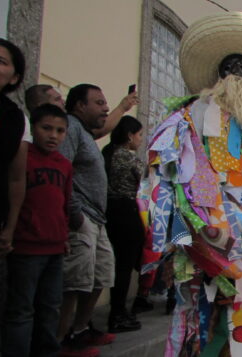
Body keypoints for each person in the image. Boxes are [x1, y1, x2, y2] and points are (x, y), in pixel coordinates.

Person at [142, 12, 242, 355]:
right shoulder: (185, 120)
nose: (238, 76)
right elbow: (160, 182)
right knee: (205, 316)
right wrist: (180, 236)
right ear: (218, 77)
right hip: (203, 239)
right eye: (231, 68)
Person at [57, 83, 136, 356]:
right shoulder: (69, 127)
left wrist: (124, 106)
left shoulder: (87, 134)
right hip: (82, 218)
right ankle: (61, 340)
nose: (105, 108)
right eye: (99, 102)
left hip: (97, 219)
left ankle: (80, 330)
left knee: (102, 275)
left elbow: (104, 128)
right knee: (75, 282)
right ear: (80, 105)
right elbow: (61, 170)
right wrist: (74, 214)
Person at [0, 104, 73, 357]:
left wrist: (64, 237)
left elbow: (64, 203)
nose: (53, 135)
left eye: (60, 131)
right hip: (26, 246)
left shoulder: (64, 164)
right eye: (47, 128)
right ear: (33, 128)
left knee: (51, 306)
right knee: (21, 309)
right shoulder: (22, 157)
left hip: (54, 246)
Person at [101, 115, 146, 332]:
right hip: (128, 212)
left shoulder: (107, 154)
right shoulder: (129, 159)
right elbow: (145, 185)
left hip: (110, 212)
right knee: (125, 267)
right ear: (129, 136)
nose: (140, 140)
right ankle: (118, 313)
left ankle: (117, 310)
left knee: (117, 264)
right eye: (139, 135)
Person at [0, 37, 29, 260]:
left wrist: (10, 227)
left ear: (14, 77)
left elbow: (16, 178)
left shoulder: (15, 119)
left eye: (0, 61)